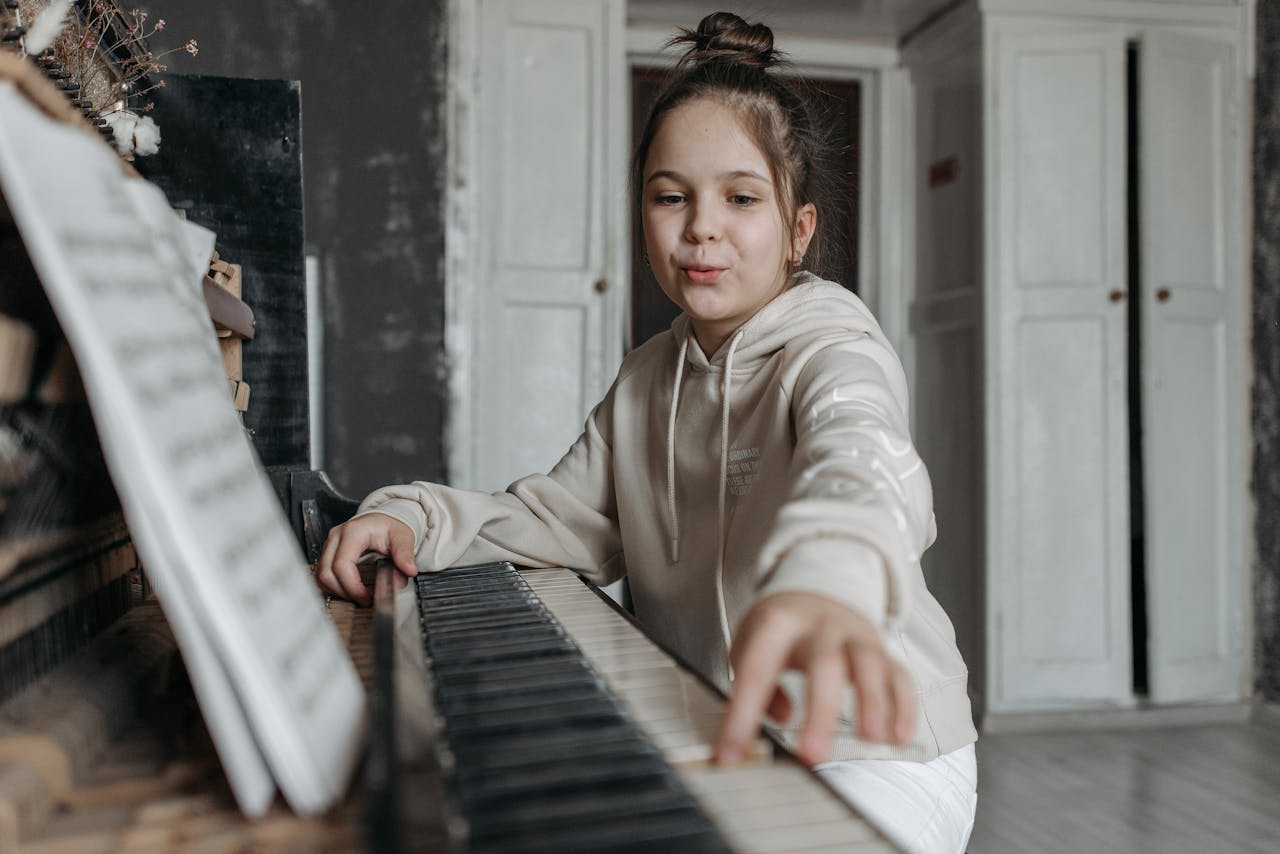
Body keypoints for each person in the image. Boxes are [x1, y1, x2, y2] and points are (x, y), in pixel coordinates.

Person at [317, 11, 978, 853]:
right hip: (723, 728)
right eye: (672, 197)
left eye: (741, 199)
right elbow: (559, 521)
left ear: (798, 230)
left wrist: (828, 579)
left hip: (875, 748)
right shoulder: (646, 378)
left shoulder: (833, 344)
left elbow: (867, 463)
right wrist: (413, 516)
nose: (702, 227)